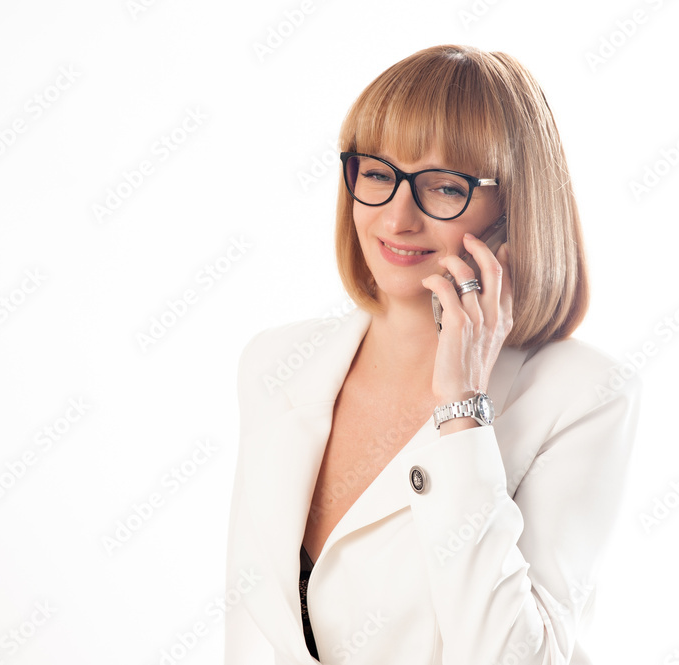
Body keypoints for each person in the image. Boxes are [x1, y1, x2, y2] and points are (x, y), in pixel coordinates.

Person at [225, 44, 642, 665]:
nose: (397, 217)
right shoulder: (276, 362)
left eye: (444, 187)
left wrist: (464, 413)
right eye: (376, 173)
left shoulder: (584, 395)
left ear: (515, 209)